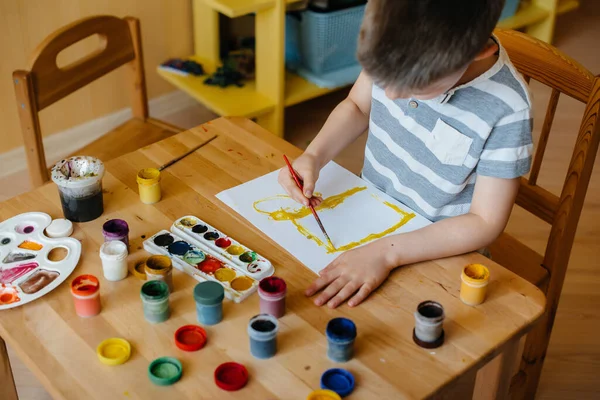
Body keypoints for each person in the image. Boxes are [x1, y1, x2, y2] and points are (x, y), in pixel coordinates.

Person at [278, 0, 533, 309]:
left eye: (416, 88)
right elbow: (357, 106)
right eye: (380, 77)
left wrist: (387, 253)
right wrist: (314, 156)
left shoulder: (507, 108)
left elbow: (484, 222)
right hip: (369, 221)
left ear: (478, 52)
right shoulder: (396, 43)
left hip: (438, 253)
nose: (391, 95)